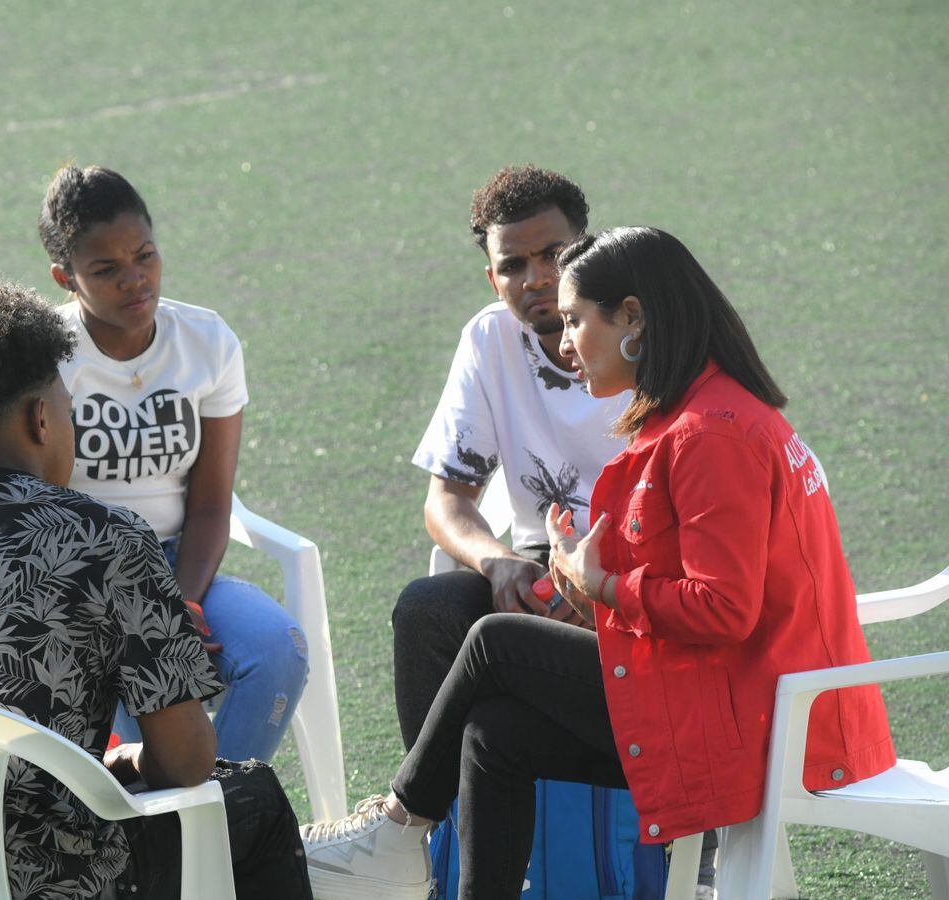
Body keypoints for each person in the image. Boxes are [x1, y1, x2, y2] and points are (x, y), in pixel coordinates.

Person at [298, 226, 895, 899]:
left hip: (760, 723)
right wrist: (595, 594)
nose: (564, 344)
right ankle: (416, 853)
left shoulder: (710, 434)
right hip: (748, 699)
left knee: (494, 642)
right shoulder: (702, 410)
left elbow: (724, 610)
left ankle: (401, 832)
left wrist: (605, 583)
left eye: (577, 321)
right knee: (497, 734)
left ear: (633, 318)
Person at [0, 282, 312, 900]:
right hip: (54, 881)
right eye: (68, 405)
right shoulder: (104, 538)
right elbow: (187, 761)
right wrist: (123, 761)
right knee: (253, 794)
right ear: (41, 418)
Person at [38, 165, 309, 763]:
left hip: (175, 563)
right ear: (66, 277)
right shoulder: (45, 357)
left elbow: (211, 503)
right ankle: (158, 836)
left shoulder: (207, 342)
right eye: (105, 270)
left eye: (146, 256)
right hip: (76, 572)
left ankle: (222, 816)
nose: (135, 281)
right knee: (129, 678)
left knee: (277, 646)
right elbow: (30, 502)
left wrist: (179, 604)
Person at [393, 165, 628, 751]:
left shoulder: (636, 329)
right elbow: (446, 500)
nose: (537, 278)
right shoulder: (489, 339)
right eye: (513, 266)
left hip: (642, 571)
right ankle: (426, 830)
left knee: (498, 686)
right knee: (426, 609)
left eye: (554, 254)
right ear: (492, 278)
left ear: (588, 249)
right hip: (542, 564)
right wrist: (498, 563)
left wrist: (595, 582)